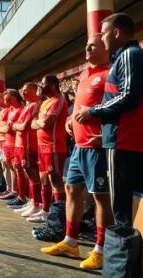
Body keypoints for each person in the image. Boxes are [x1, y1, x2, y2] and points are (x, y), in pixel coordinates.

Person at [75, 13, 143, 227]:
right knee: (130, 208)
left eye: (104, 34)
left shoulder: (129, 55)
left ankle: (121, 258)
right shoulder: (134, 56)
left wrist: (92, 111)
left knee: (122, 209)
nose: (103, 39)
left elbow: (128, 97)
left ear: (116, 32)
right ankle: (128, 257)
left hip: (126, 139)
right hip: (135, 141)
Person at [42, 33, 113, 270]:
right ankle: (71, 242)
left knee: (101, 197)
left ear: (107, 47)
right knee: (71, 189)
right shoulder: (84, 75)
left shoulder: (111, 73)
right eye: (86, 45)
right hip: (79, 147)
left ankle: (101, 250)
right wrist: (69, 119)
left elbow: (121, 109)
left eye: (93, 45)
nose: (88, 49)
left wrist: (107, 136)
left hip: (97, 147)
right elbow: (81, 105)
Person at [30, 75, 69, 223]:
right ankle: (45, 211)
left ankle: (59, 216)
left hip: (54, 146)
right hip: (42, 146)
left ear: (52, 85)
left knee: (56, 180)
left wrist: (38, 123)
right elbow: (33, 124)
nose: (40, 85)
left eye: (43, 83)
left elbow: (47, 122)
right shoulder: (45, 102)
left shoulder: (59, 100)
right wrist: (39, 123)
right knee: (44, 180)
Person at [11, 83, 44, 221]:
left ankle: (36, 204)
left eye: (26, 91)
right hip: (20, 143)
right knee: (26, 172)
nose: (23, 93)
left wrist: (16, 126)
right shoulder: (27, 107)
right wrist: (17, 126)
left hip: (29, 144)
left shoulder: (35, 105)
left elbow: (23, 126)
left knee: (31, 173)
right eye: (22, 90)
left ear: (35, 91)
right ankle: (31, 201)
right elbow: (15, 125)